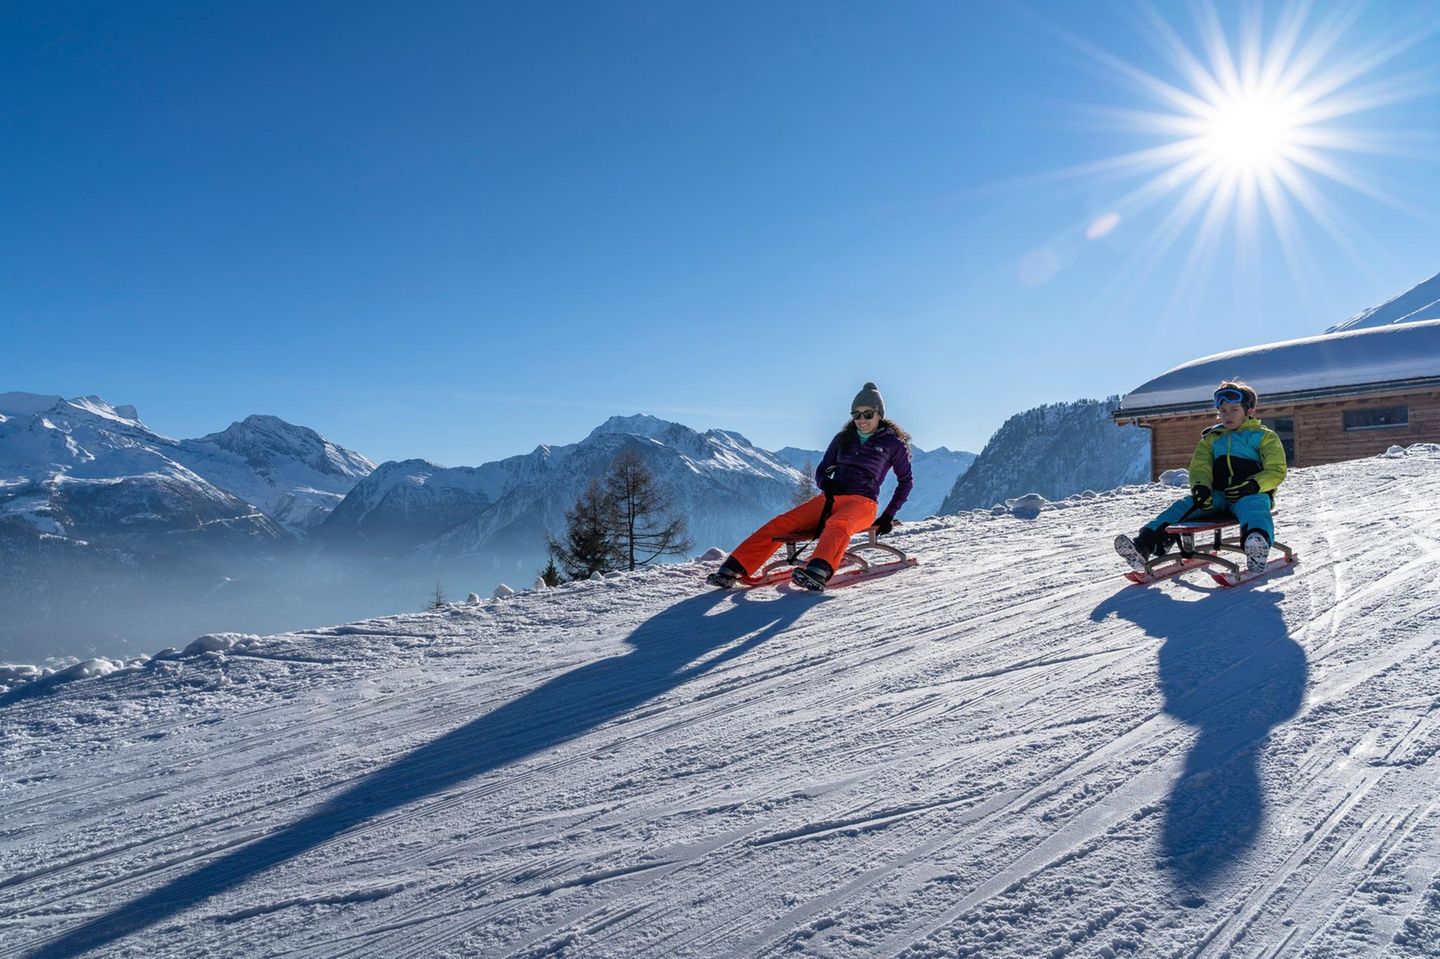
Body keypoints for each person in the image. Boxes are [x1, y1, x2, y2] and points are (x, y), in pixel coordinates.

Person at [707, 382, 914, 592]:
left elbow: (905, 481)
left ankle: (818, 571)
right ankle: (733, 568)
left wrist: (888, 515)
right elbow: (822, 470)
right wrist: (826, 483)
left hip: (863, 503)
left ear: (879, 414)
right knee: (782, 522)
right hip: (829, 500)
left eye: (868, 414)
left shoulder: (892, 443)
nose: (861, 420)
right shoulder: (843, 439)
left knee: (838, 523)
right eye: (856, 414)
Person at [1115, 380, 1287, 575]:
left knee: (1256, 508)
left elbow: (1276, 470)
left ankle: (1256, 546)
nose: (1227, 415)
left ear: (1249, 411)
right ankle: (1144, 546)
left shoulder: (1263, 436)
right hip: (1217, 496)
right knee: (1182, 507)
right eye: (1223, 411)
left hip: (1248, 495)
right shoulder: (1212, 439)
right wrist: (1201, 488)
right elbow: (1200, 468)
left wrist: (1254, 485)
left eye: (1234, 410)